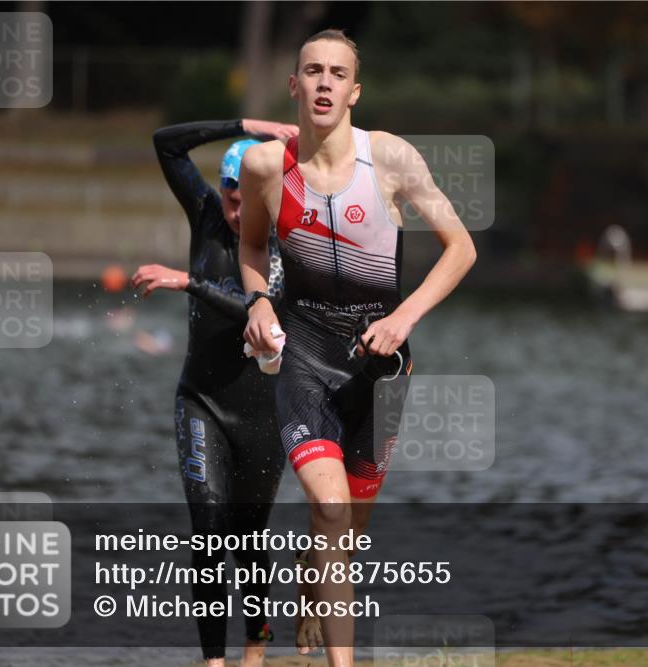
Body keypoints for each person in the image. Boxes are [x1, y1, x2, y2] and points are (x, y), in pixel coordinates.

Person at [238, 29, 477, 666]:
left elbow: (462, 248)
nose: (323, 83)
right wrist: (258, 300)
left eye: (337, 74)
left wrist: (404, 317)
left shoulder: (391, 159)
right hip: (305, 356)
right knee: (332, 507)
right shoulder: (266, 168)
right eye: (312, 71)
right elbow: (253, 246)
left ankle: (314, 589)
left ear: (354, 92)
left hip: (381, 366)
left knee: (347, 527)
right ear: (294, 85)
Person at [131, 117, 298, 667]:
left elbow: (256, 310)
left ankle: (255, 649)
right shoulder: (205, 214)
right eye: (230, 197)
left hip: (263, 411)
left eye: (245, 200)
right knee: (207, 532)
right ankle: (212, 662)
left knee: (248, 537)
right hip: (201, 399)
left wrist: (187, 282)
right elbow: (166, 144)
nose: (235, 210)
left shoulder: (281, 242)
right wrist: (247, 124)